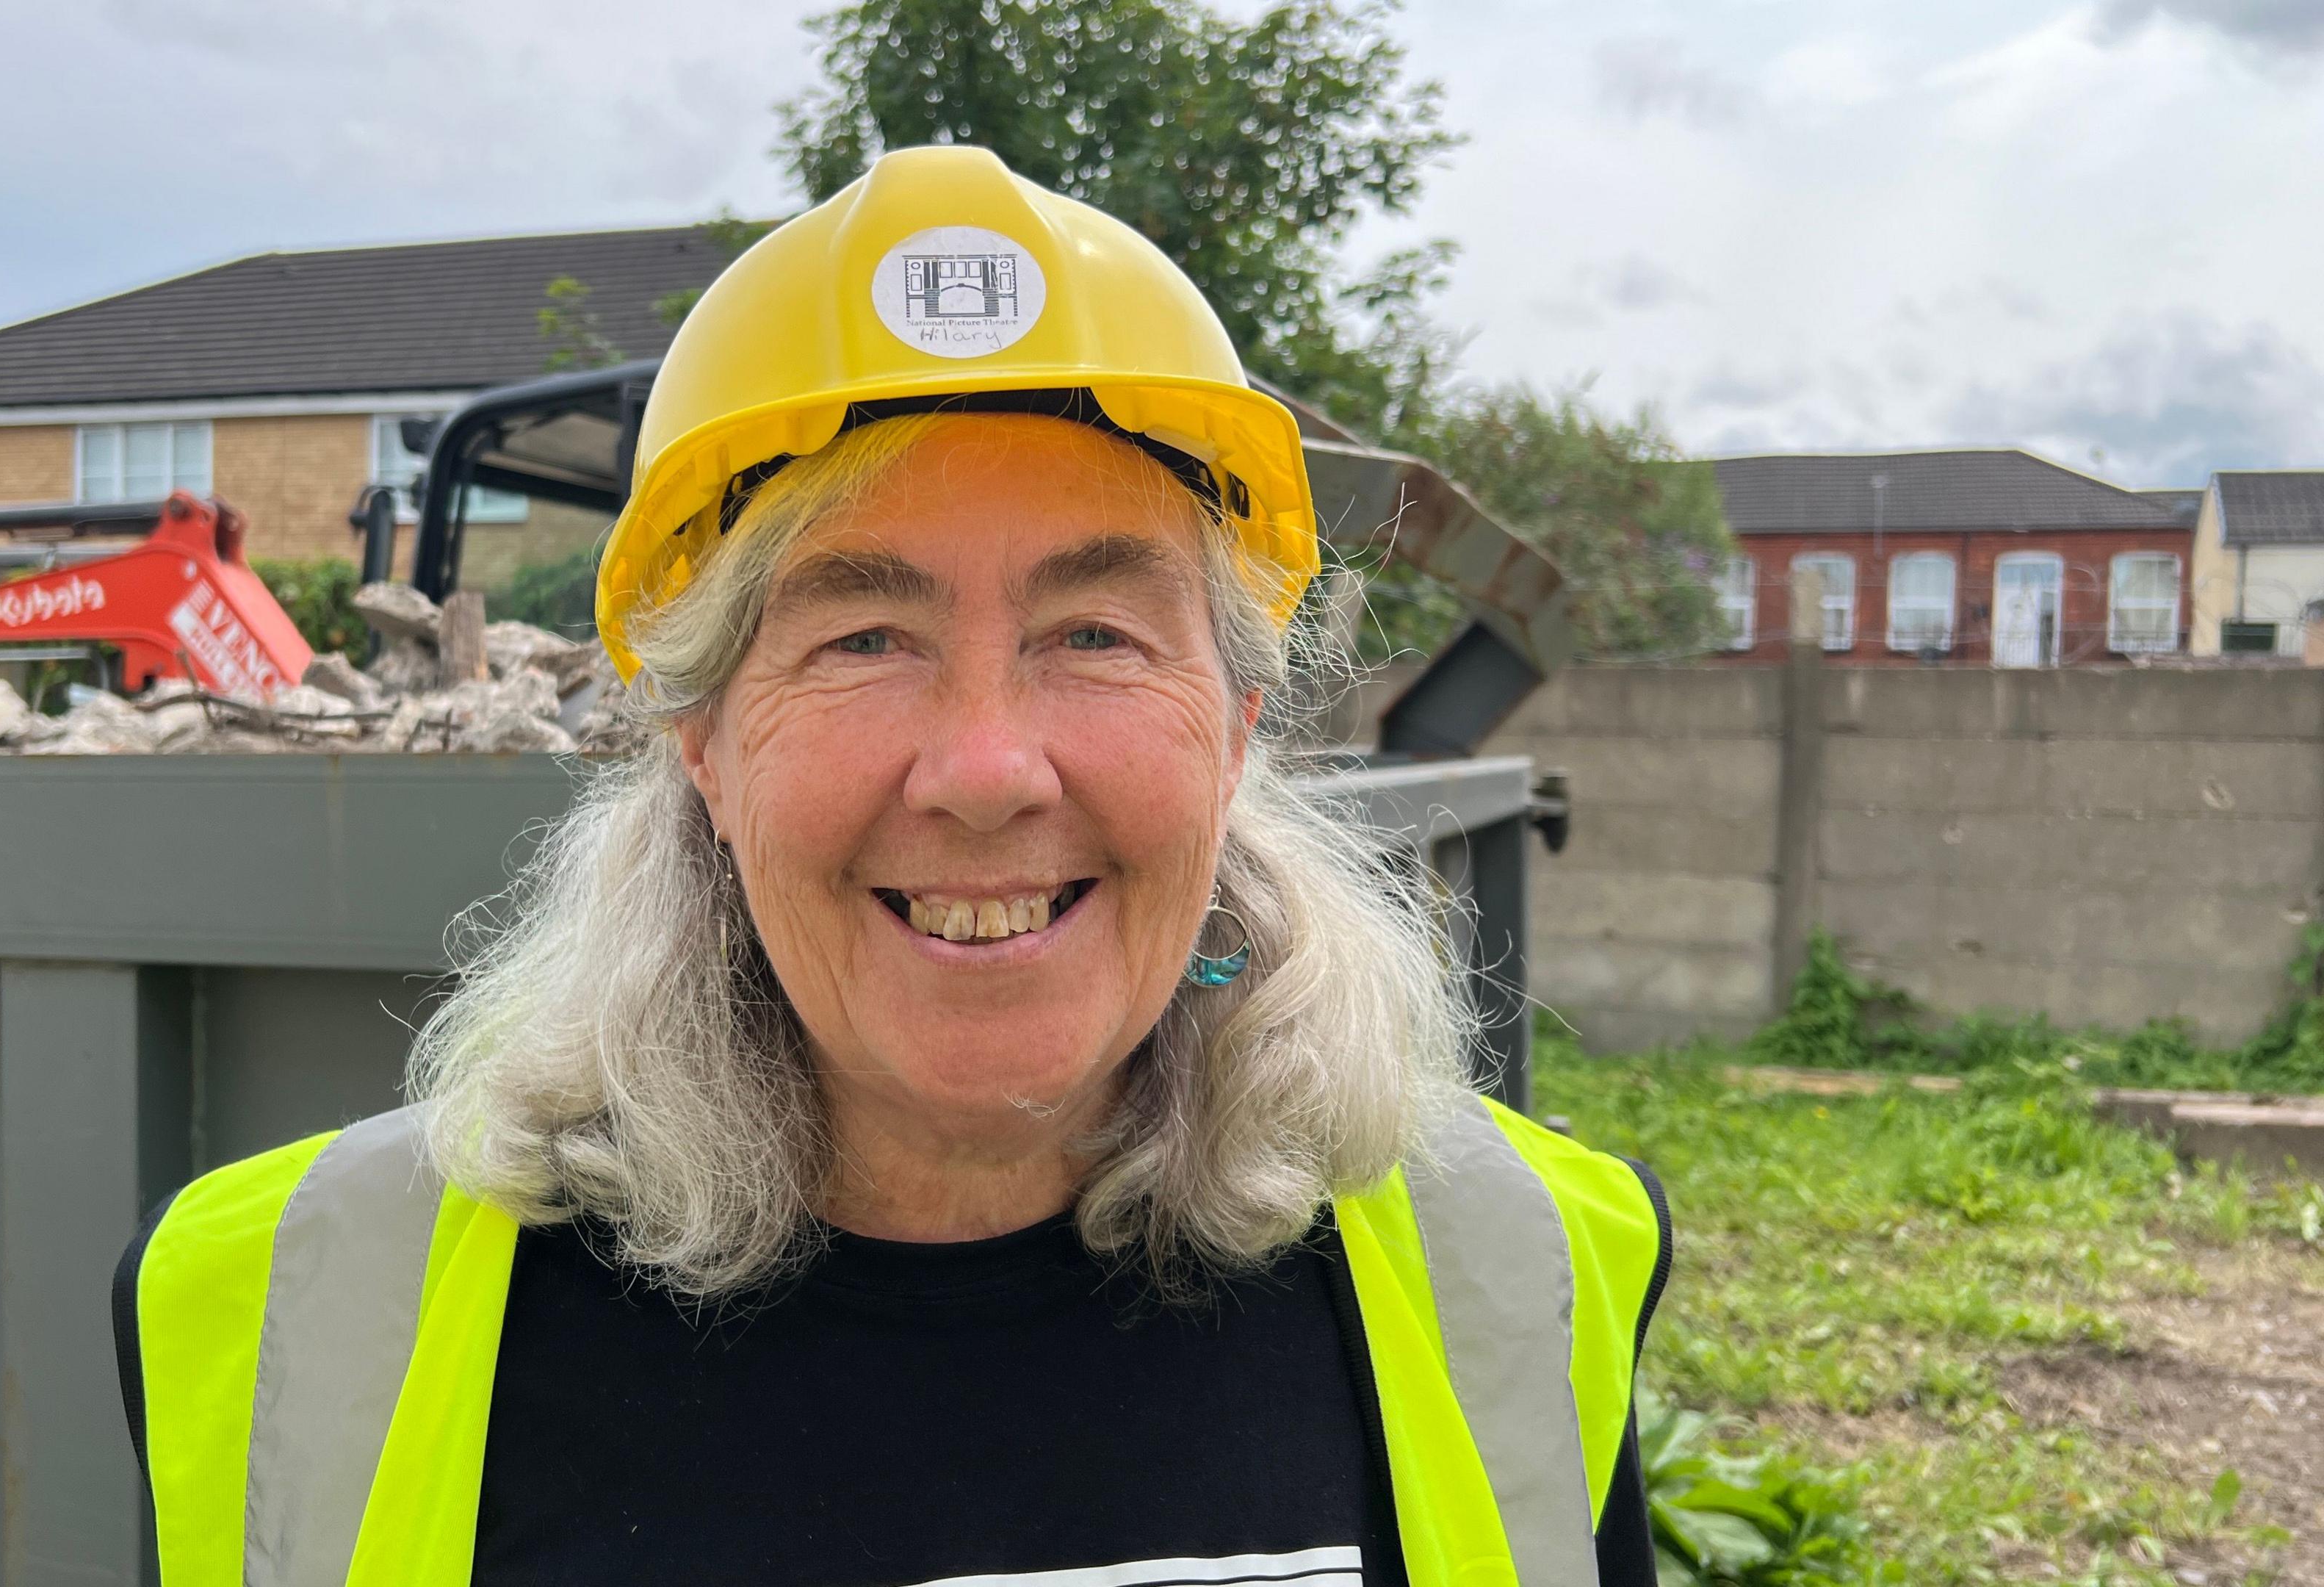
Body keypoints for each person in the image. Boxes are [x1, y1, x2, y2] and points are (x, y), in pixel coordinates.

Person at [117, 144, 1670, 1587]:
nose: (988, 771)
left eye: (1095, 635)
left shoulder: (1515, 1278)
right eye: (864, 638)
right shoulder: (297, 1315)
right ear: (706, 743)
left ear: (1236, 728)